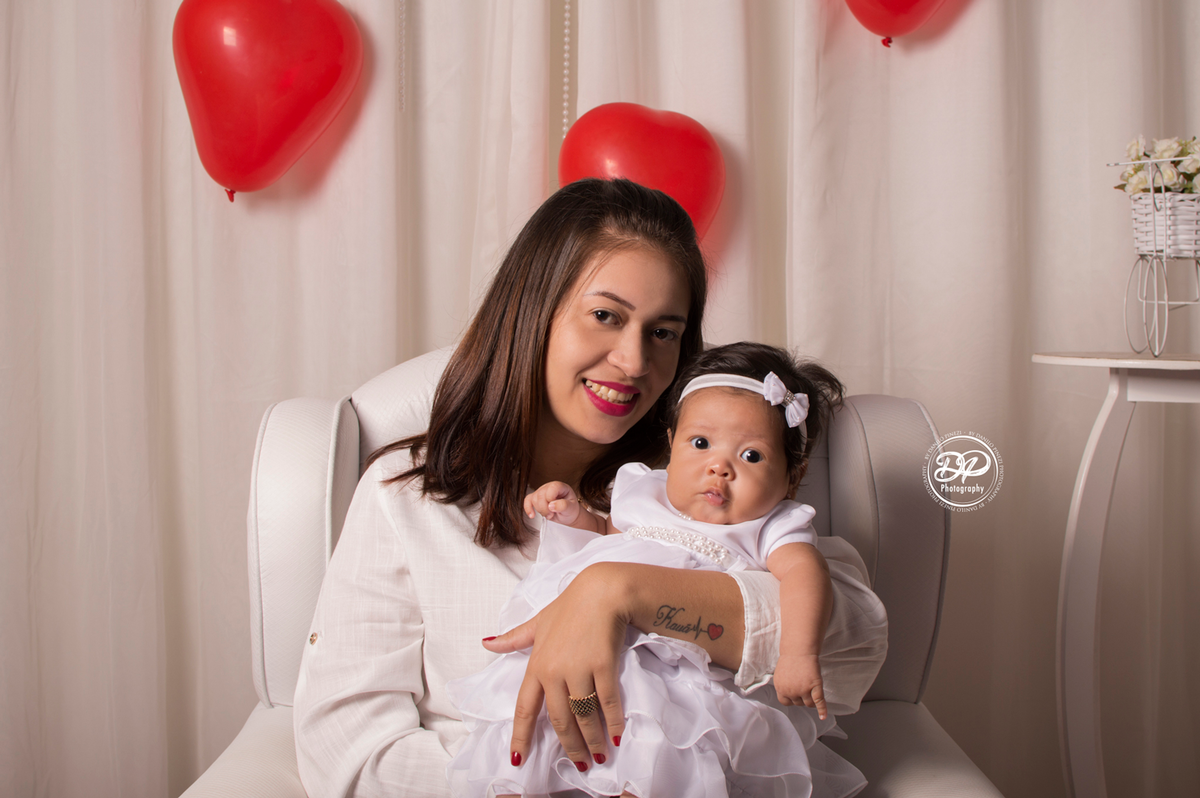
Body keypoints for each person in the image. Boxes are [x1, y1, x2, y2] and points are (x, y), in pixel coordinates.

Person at [292, 179, 888, 797]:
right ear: (532, 312)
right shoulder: (406, 497)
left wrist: (621, 592)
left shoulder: (699, 475)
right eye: (605, 316)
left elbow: (856, 649)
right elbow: (347, 752)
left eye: (663, 332)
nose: (633, 362)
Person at [447, 343, 860, 798]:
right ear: (671, 443)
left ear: (792, 478)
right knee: (533, 731)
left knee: (660, 748)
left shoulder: (771, 525)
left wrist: (798, 655)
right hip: (581, 647)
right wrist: (574, 516)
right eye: (700, 444)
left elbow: (805, 578)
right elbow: (608, 534)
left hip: (678, 677)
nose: (719, 467)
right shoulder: (645, 492)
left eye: (751, 456)